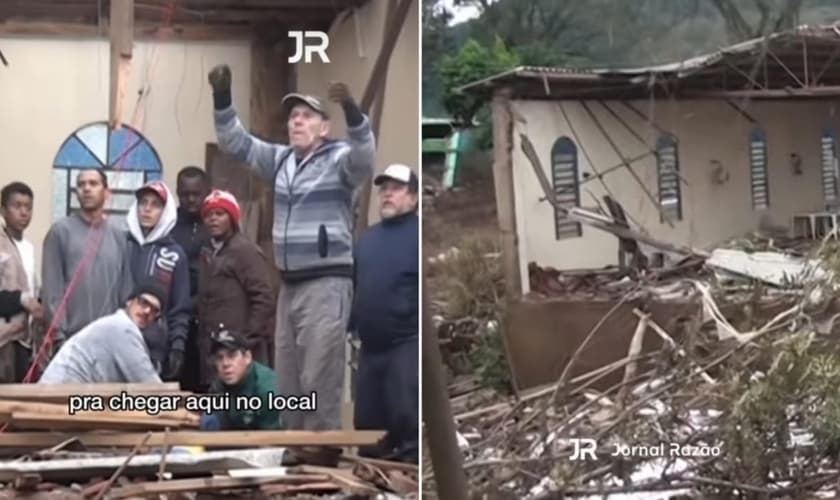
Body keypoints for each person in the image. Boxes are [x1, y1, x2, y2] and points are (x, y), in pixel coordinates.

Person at [207, 64, 376, 430]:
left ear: (324, 128)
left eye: (307, 116)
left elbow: (365, 156)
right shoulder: (281, 160)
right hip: (290, 284)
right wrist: (222, 97)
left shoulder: (339, 159)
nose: (296, 122)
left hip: (326, 284)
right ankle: (297, 449)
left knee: (320, 374)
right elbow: (235, 143)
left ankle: (321, 456)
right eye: (293, 116)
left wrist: (351, 109)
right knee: (290, 377)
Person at [350, 164, 419, 463]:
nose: (388, 194)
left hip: (405, 343)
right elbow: (357, 286)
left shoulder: (418, 235)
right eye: (384, 188)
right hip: (369, 347)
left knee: (405, 417)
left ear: (414, 198)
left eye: (397, 188)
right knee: (367, 422)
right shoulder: (367, 240)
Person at [41, 169, 134, 349]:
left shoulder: (118, 237)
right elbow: (52, 290)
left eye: (93, 183)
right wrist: (59, 336)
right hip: (71, 341)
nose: (86, 189)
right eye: (81, 184)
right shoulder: (60, 232)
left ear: (106, 192)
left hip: (110, 341)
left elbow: (125, 293)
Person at [196, 190, 275, 392]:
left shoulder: (244, 251)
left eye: (220, 214)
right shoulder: (208, 252)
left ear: (232, 218)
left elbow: (264, 298)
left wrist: (246, 341)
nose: (213, 219)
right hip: (216, 350)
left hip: (241, 352)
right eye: (208, 215)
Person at [39, 280, 166, 384]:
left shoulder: (119, 326)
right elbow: (149, 385)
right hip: (60, 397)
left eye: (154, 310)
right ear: (129, 302)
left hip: (66, 395)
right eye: (143, 303)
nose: (147, 311)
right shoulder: (122, 328)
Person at [126, 181, 191, 379]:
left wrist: (177, 345)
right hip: (117, 339)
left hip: (154, 348)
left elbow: (181, 306)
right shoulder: (122, 244)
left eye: (155, 204)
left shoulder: (175, 254)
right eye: (143, 202)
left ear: (165, 211)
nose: (147, 209)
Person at [171, 166, 211, 392]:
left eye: (196, 194)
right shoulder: (168, 225)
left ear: (206, 191)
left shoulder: (216, 224)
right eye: (185, 194)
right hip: (175, 317)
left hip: (207, 319)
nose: (191, 199)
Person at [199, 328, 282, 431]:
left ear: (247, 357)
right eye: (220, 358)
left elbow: (273, 441)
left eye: (232, 356)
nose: (225, 364)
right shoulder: (218, 386)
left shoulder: (267, 390)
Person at [0, 182, 41, 382]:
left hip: (25, 340)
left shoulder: (29, 248)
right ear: (3, 210)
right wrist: (21, 299)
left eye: (28, 207)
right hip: (4, 339)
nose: (24, 212)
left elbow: (33, 288)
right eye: (17, 206)